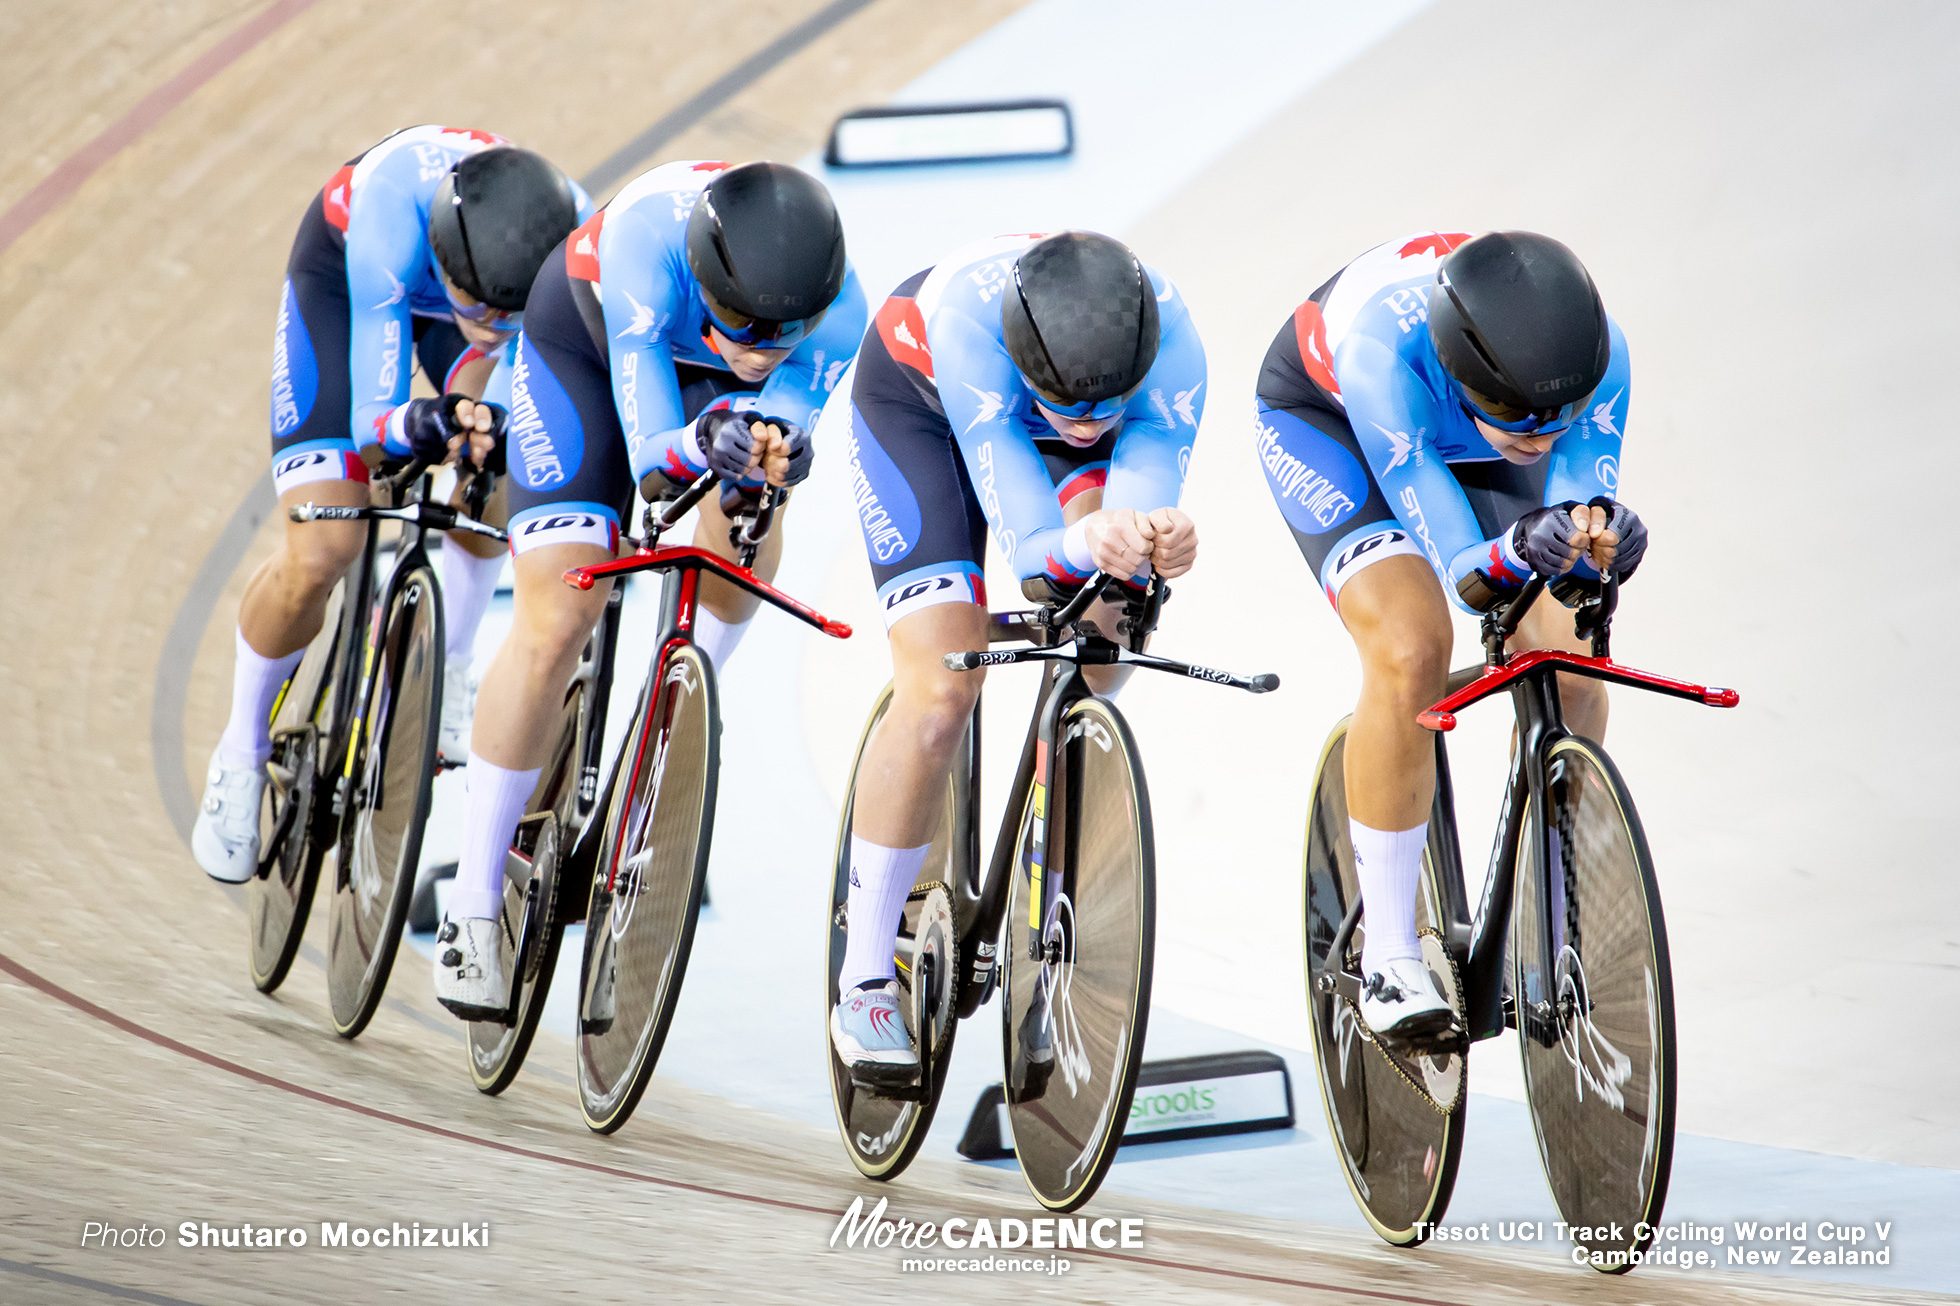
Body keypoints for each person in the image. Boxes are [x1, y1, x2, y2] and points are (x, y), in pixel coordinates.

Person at [431, 160, 865, 1017]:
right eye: (741, 320)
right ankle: (473, 907)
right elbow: (652, 459)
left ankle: (684, 692)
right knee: (561, 614)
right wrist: (709, 437)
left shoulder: (839, 312)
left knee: (753, 506)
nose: (763, 345)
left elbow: (787, 414)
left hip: (706, 390)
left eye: (787, 331)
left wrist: (780, 444)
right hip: (587, 352)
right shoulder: (643, 252)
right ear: (704, 276)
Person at [822, 230, 1206, 1078]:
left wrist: (1156, 541)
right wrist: (1080, 540)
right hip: (923, 408)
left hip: (1035, 420)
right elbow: (1035, 547)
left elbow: (1134, 519)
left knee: (1105, 640)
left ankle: (1043, 856)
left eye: (1106, 407)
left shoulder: (1173, 347)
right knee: (940, 690)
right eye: (1070, 405)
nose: (1089, 422)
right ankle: (864, 978)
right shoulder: (969, 329)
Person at [1253, 230, 1647, 1039]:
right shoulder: (1381, 360)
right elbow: (1468, 573)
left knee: (1572, 664)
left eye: (1556, 419)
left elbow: (1573, 515)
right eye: (1519, 417)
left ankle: (1546, 921)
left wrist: (1597, 543)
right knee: (1411, 650)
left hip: (1470, 423)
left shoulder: (1597, 365)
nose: (1540, 433)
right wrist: (1514, 549)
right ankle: (1390, 959)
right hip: (1338, 426)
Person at [193, 125, 587, 883]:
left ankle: (455, 658)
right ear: (445, 260)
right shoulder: (387, 222)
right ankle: (241, 752)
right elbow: (375, 423)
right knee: (323, 550)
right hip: (350, 291)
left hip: (462, 300)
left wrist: (484, 420)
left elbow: (530, 363)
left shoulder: (567, 242)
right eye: (484, 305)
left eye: (510, 312)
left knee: (498, 456)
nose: (495, 324)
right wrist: (409, 422)